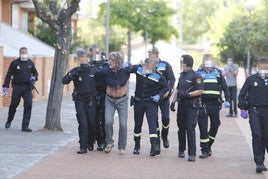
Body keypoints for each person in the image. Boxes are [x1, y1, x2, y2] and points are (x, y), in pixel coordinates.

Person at [130, 58, 169, 156]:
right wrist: (126, 65)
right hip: (138, 102)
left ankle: (154, 147)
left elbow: (166, 87)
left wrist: (159, 95)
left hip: (150, 103)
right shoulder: (139, 69)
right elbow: (130, 68)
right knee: (138, 125)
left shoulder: (157, 76)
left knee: (152, 125)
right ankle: (137, 145)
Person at [62, 50, 97, 154]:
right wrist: (73, 74)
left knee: (91, 123)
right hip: (80, 100)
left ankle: (91, 141)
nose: (83, 59)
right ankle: (83, 146)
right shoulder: (76, 70)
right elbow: (64, 81)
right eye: (81, 58)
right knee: (82, 123)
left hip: (91, 101)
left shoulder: (93, 70)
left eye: (85, 57)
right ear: (78, 59)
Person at [170, 55, 204, 162]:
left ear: (186, 64)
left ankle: (192, 153)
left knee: (190, 128)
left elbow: (200, 90)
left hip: (191, 106)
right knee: (181, 128)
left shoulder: (196, 76)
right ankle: (181, 150)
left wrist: (189, 94)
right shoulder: (182, 76)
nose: (180, 65)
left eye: (181, 63)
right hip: (182, 105)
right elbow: (178, 90)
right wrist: (173, 102)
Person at [196, 54, 230, 159]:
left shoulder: (217, 73)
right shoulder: (199, 73)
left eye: (210, 61)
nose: (208, 64)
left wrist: (227, 99)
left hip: (215, 103)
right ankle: (204, 150)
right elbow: (195, 86)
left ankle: (209, 144)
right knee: (203, 126)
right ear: (203, 62)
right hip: (203, 103)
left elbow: (224, 86)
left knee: (216, 124)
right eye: (206, 61)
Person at [238, 57, 268, 173]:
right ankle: (259, 162)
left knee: (266, 136)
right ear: (257, 67)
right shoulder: (251, 79)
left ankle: (262, 158)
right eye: (262, 68)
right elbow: (241, 95)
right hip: (254, 110)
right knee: (257, 135)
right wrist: (242, 108)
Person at [98, 51, 131, 155]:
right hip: (109, 99)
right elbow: (99, 71)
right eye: (109, 59)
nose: (110, 61)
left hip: (122, 100)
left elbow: (135, 67)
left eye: (112, 60)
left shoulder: (125, 70)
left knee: (123, 123)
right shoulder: (106, 70)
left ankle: (122, 146)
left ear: (118, 61)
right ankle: (109, 142)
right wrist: (107, 66)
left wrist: (128, 64)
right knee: (107, 121)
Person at [3, 47, 38, 132]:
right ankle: (9, 120)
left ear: (27, 53)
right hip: (17, 87)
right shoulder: (14, 63)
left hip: (27, 87)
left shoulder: (30, 63)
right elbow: (8, 75)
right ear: (19, 53)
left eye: (25, 53)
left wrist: (34, 78)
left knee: (28, 105)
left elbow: (36, 73)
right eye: (22, 53)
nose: (24, 54)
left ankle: (25, 126)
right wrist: (5, 86)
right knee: (13, 105)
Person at [148, 47, 175, 148]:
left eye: (151, 56)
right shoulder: (148, 65)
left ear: (156, 56)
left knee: (165, 118)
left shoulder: (165, 65)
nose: (149, 58)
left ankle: (165, 135)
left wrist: (168, 91)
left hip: (164, 97)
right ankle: (157, 139)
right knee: (154, 120)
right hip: (152, 97)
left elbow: (172, 79)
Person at [88, 46, 109, 151]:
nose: (95, 54)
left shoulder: (106, 64)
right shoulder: (89, 64)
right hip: (93, 95)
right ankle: (99, 141)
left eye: (97, 52)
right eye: (93, 53)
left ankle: (105, 140)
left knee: (105, 119)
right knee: (94, 119)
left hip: (105, 94)